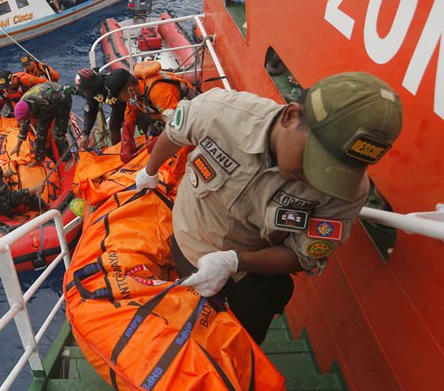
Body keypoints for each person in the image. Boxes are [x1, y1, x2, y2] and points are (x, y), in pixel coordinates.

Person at [135, 72, 403, 344]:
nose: (317, 178)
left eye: (336, 172)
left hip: (255, 270)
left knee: (245, 339)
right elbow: (175, 133)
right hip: (189, 242)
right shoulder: (220, 112)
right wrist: (150, 171)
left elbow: (303, 254)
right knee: (193, 330)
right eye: (315, 160)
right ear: (291, 117)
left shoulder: (347, 192)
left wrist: (235, 261)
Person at [104, 63, 197, 162]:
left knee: (154, 145)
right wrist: (126, 148)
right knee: (150, 139)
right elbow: (129, 119)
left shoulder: (158, 92)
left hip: (187, 117)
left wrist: (158, 142)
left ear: (130, 90)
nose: (121, 100)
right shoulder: (135, 94)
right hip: (166, 117)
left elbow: (179, 124)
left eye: (120, 98)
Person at [10, 82, 73, 167]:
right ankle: (39, 159)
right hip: (42, 102)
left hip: (61, 100)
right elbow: (24, 127)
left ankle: (68, 158)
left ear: (30, 113)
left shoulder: (45, 101)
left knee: (57, 134)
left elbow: (66, 92)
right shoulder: (23, 105)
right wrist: (17, 147)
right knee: (40, 133)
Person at [74, 67, 125, 148]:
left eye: (86, 90)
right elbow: (90, 112)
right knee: (113, 126)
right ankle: (117, 149)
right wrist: (86, 133)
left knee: (129, 124)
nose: (85, 93)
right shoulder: (92, 93)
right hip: (118, 108)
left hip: (130, 104)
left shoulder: (110, 83)